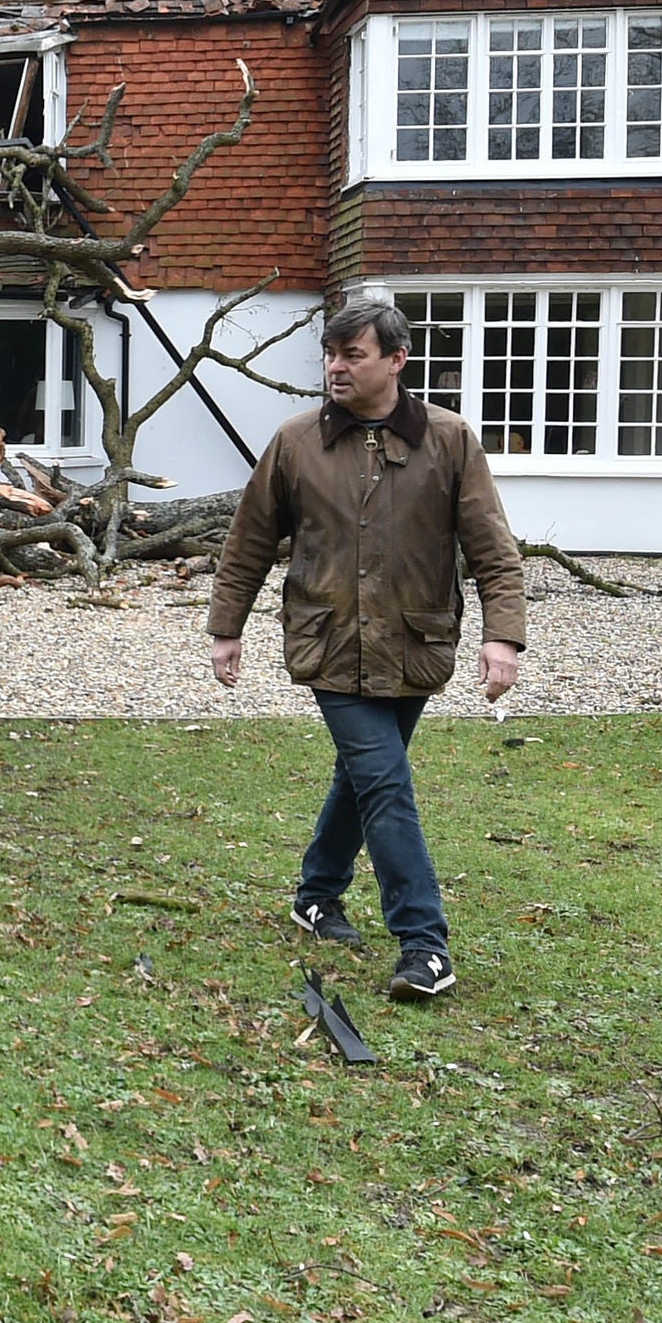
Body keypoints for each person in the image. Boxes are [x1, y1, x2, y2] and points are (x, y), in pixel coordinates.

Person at [204, 295, 526, 1003]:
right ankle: (424, 944)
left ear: (397, 360)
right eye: (330, 353)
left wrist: (501, 636)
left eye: (353, 354)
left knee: (363, 777)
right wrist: (227, 627)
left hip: (415, 644)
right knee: (384, 780)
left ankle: (316, 894)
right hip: (329, 645)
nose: (336, 367)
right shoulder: (296, 443)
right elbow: (249, 542)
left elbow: (494, 553)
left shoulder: (450, 440)